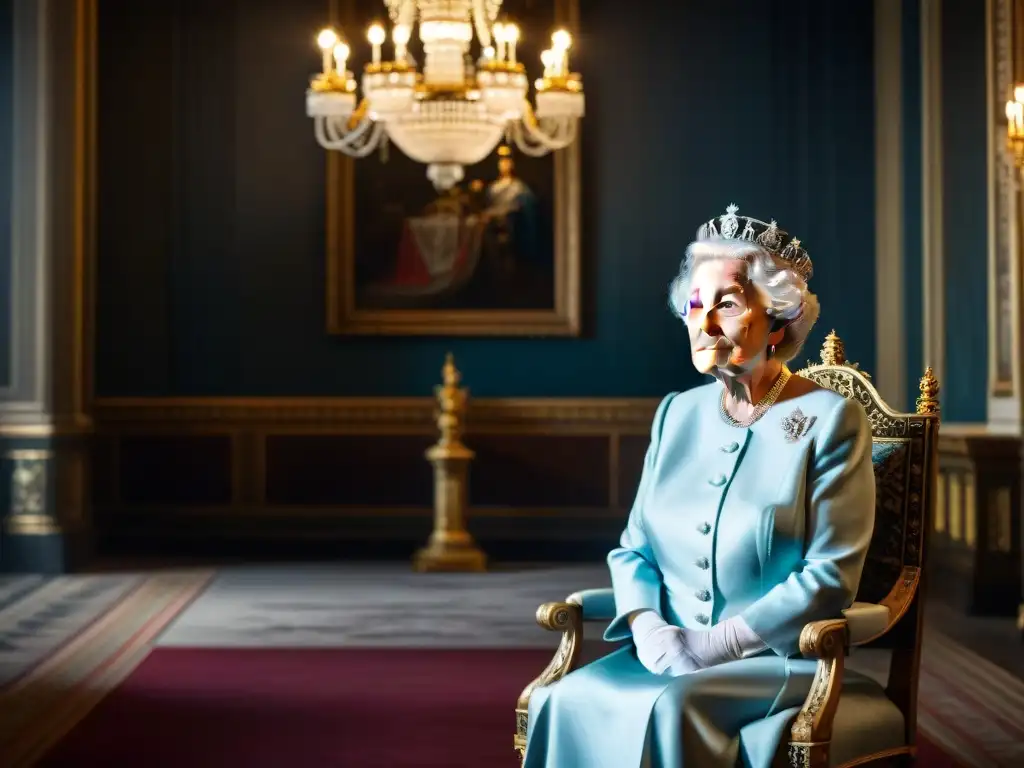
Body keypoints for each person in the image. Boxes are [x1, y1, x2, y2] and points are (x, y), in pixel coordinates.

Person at [523, 205, 876, 767]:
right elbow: (632, 548)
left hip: (770, 659)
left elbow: (831, 574)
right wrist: (647, 627)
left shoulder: (830, 420)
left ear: (779, 319)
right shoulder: (676, 414)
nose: (705, 323)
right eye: (695, 304)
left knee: (671, 708)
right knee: (563, 699)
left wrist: (719, 643)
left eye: (728, 305)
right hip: (664, 651)